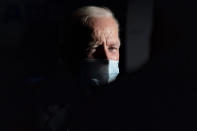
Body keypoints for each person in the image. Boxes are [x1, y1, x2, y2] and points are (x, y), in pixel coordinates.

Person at [36, 6, 124, 131]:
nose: (106, 58)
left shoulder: (133, 106)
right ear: (70, 54)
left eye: (112, 48)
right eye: (93, 48)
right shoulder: (46, 111)